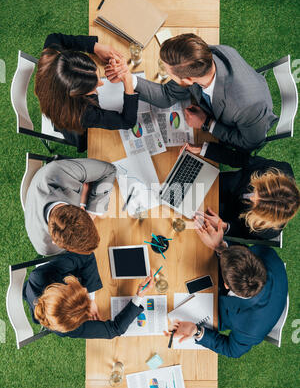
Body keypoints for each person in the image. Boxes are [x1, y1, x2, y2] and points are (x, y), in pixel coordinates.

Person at [105, 33, 278, 152]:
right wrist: (127, 77)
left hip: (245, 126)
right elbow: (167, 95)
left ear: (187, 81)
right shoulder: (201, 59)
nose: (165, 72)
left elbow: (250, 143)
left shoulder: (248, 107)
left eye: (168, 71)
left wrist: (206, 123)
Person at [165, 218, 288, 358]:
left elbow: (232, 350)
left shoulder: (249, 330)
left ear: (226, 285)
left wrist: (197, 331)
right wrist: (221, 245)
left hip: (224, 313)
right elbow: (242, 251)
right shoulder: (267, 255)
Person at [35, 33, 139, 152]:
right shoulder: (84, 114)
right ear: (77, 94)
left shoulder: (51, 59)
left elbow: (53, 38)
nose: (101, 83)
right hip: (73, 129)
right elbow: (127, 121)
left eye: (97, 75)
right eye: (94, 87)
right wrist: (128, 80)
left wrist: (96, 48)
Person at [181, 141, 300, 240]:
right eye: (258, 191)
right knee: (185, 182)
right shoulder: (278, 169)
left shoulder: (268, 231)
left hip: (226, 214)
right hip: (228, 183)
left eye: (256, 204)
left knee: (184, 216)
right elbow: (242, 159)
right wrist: (204, 150)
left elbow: (242, 232)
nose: (252, 197)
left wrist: (224, 226)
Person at [23, 251, 154, 339]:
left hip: (40, 283)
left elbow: (87, 255)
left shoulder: (38, 276)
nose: (85, 290)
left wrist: (90, 299)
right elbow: (114, 330)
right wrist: (138, 297)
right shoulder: (68, 326)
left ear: (60, 287)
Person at [24, 157, 116, 256]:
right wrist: (85, 201)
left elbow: (109, 170)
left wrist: (92, 211)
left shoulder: (58, 171)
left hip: (46, 180)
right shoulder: (46, 248)